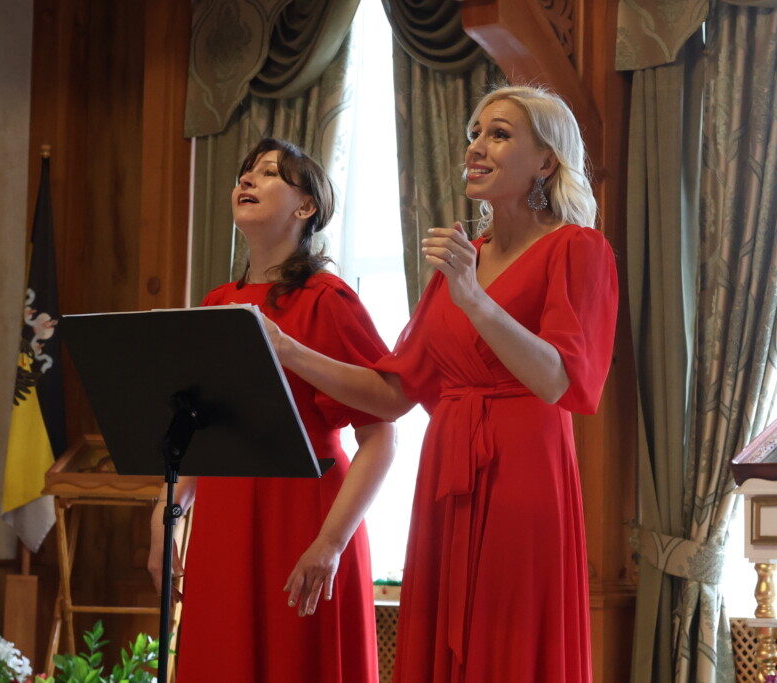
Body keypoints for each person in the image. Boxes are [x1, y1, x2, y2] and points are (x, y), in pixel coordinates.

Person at [262, 86, 619, 682]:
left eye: (499, 134)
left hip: (523, 470)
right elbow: (392, 393)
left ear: (546, 161)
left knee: (507, 640)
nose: (476, 147)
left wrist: (474, 299)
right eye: (475, 133)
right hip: (445, 473)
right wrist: (289, 351)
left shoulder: (576, 249)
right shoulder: (462, 262)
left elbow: (561, 379)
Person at [147, 138, 396, 682]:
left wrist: (331, 543)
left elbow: (382, 435)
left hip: (307, 520)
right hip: (225, 525)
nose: (247, 180)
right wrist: (165, 517)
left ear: (306, 206)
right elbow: (196, 431)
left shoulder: (329, 301)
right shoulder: (216, 304)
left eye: (267, 173)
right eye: (245, 173)